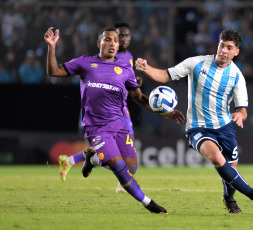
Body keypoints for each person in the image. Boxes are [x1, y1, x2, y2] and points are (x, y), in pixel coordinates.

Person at [44, 26, 185, 214]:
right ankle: (148, 203)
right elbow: (53, 71)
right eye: (108, 39)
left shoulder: (125, 69)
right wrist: (51, 47)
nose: (112, 44)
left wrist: (164, 114)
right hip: (96, 127)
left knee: (131, 167)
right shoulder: (85, 62)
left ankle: (92, 159)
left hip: (119, 125)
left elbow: (139, 97)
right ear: (99, 43)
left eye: (116, 41)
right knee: (118, 167)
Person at [135, 29, 253, 214]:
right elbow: (166, 75)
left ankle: (229, 199)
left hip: (225, 127)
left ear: (236, 51)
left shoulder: (237, 76)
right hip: (197, 127)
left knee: (230, 169)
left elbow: (242, 110)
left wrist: (240, 115)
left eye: (229, 47)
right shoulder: (196, 63)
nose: (223, 50)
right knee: (216, 158)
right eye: (222, 45)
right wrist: (146, 68)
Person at [57, 22, 140, 194]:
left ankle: (77, 160)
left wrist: (135, 84)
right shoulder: (100, 58)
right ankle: (117, 180)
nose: (122, 39)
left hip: (121, 110)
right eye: (119, 36)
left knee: (124, 155)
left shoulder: (128, 57)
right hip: (102, 111)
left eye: (125, 36)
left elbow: (126, 82)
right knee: (110, 150)